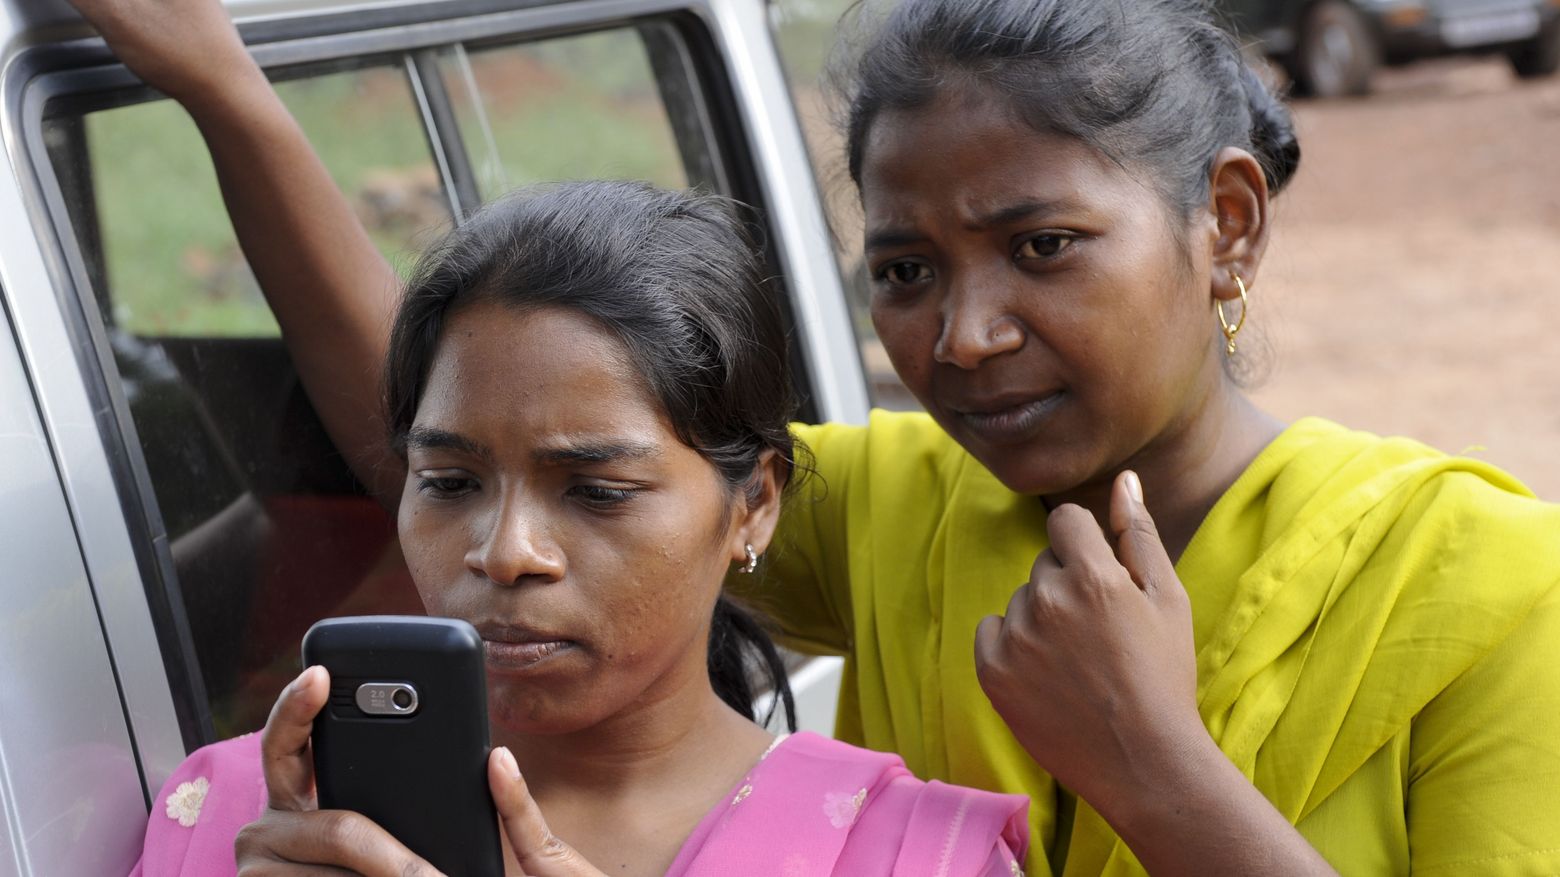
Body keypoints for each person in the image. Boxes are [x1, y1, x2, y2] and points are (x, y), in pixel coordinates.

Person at [71, 0, 1560, 874]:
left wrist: (1157, 769)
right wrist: (225, 95)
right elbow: (487, 442)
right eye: (905, 272)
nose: (961, 337)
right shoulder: (913, 502)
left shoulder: (1487, 586)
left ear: (1222, 224)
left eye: (1041, 247)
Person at [130, 182, 1030, 876]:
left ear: (753, 502)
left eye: (597, 491)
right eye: (448, 480)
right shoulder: (238, 816)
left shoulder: (911, 852)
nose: (505, 550)